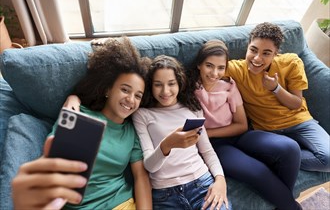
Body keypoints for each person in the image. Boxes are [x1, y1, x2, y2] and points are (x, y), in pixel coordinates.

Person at [11, 38, 152, 210]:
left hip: (122, 204)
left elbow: (141, 177)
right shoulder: (78, 113)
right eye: (125, 89)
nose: (131, 99)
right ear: (108, 89)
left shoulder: (131, 131)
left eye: (138, 95)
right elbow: (53, 162)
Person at [186, 39, 302, 210]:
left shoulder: (229, 86)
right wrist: (207, 136)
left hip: (241, 135)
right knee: (259, 171)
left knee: (291, 148)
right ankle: (291, 207)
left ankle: (282, 204)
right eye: (209, 66)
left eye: (220, 68)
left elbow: (241, 125)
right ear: (199, 65)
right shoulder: (189, 90)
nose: (214, 73)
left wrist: (209, 132)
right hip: (217, 146)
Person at [226, 22, 330, 173]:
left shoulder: (291, 62)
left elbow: (296, 103)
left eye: (266, 53)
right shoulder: (236, 69)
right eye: (253, 50)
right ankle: (282, 156)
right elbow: (207, 72)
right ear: (247, 47)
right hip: (267, 131)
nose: (257, 58)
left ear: (276, 54)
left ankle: (280, 159)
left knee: (328, 160)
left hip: (299, 122)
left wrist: (276, 88)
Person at [132, 55, 230, 210]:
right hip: (165, 195)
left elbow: (207, 151)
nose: (165, 91)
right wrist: (167, 145)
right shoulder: (142, 115)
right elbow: (150, 166)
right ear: (151, 86)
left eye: (171, 84)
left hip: (201, 184)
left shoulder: (193, 109)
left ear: (180, 83)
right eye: (158, 85)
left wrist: (220, 180)